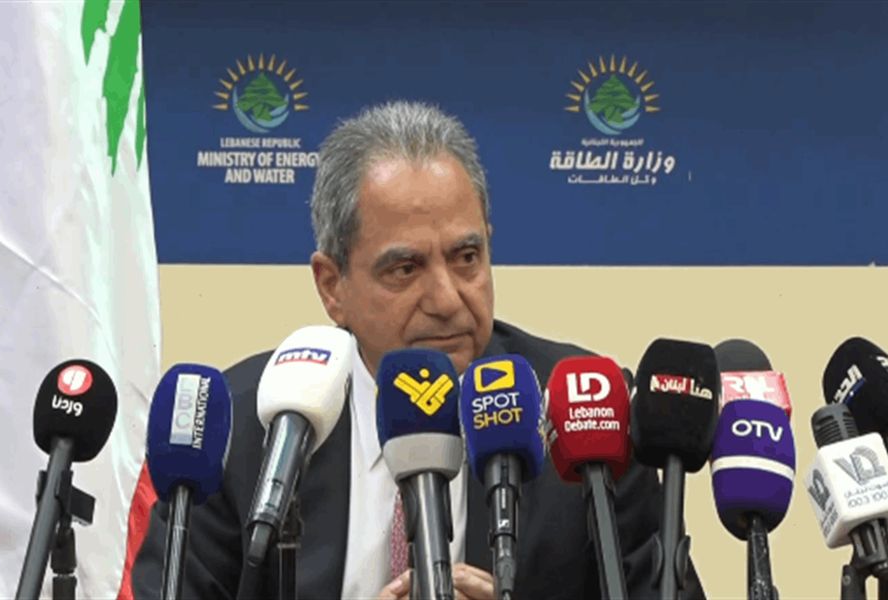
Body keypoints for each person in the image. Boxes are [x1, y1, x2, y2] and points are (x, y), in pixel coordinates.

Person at [132, 101, 705, 599]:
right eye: (405, 268)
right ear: (332, 286)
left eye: (466, 258)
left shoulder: (584, 414)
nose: (447, 299)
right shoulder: (244, 431)